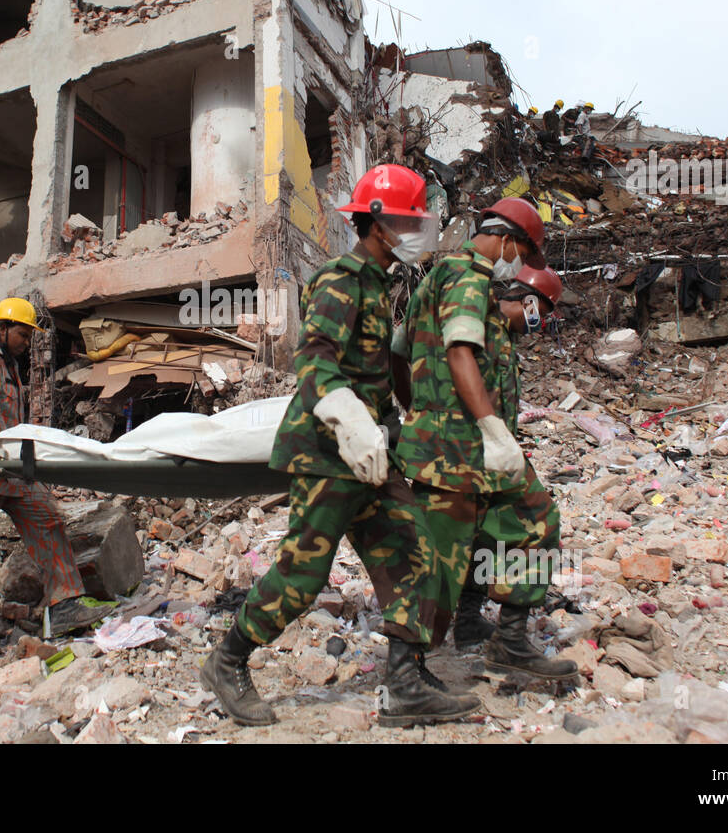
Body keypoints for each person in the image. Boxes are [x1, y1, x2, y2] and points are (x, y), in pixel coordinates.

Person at [200, 164, 480, 728]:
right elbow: (315, 360)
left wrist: (385, 429)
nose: (419, 231)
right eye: (409, 221)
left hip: (372, 455)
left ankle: (404, 683)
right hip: (328, 454)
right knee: (303, 579)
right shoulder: (339, 279)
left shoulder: (381, 284)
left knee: (420, 556)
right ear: (376, 223)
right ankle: (227, 661)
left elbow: (376, 374)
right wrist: (349, 419)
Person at [396, 205, 576, 681]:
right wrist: (477, 427)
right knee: (438, 564)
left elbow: (399, 352)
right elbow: (457, 352)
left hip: (474, 454)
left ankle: (510, 640)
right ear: (508, 241)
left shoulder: (446, 282)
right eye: (524, 253)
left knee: (534, 519)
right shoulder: (465, 275)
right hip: (454, 454)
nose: (520, 263)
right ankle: (406, 675)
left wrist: (416, 411)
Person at [0, 298, 111, 657]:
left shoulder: (9, 366)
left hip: (11, 472)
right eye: (23, 335)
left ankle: (65, 604)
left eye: (29, 336)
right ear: (2, 329)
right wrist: (23, 454)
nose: (27, 342)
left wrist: (29, 461)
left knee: (49, 522)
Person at [448, 267, 574, 674]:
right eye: (544, 312)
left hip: (484, 450)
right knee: (540, 521)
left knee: (481, 532)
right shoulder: (479, 324)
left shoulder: (501, 333)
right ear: (531, 301)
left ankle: (468, 621)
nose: (543, 322)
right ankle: (512, 639)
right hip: (474, 448)